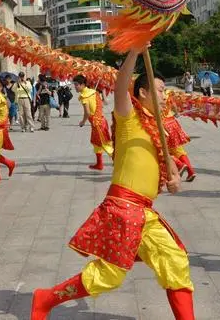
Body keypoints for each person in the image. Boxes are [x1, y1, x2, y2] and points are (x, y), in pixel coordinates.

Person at [31, 46, 193, 319]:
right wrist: (134, 54)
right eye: (161, 90)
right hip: (123, 207)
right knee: (110, 275)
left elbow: (170, 171)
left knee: (175, 262)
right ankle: (46, 299)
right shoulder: (130, 119)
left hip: (145, 212)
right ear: (143, 93)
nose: (166, 95)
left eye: (165, 90)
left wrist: (175, 179)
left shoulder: (161, 128)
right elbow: (120, 88)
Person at [73, 75, 114, 170]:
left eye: (76, 85)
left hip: (98, 124)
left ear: (83, 84)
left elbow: (87, 112)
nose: (75, 87)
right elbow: (100, 105)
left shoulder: (84, 96)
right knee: (96, 143)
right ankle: (99, 164)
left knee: (106, 145)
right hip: (100, 122)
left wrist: (82, 122)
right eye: (74, 84)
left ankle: (119, 163)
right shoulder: (94, 92)